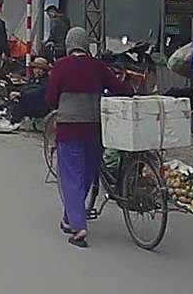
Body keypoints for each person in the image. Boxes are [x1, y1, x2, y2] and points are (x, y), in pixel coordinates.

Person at [46, 27, 133, 248]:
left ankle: (78, 228)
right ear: (86, 45)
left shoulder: (61, 67)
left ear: (69, 44)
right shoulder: (98, 67)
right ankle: (70, 217)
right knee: (85, 175)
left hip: (69, 130)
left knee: (71, 177)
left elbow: (51, 99)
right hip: (94, 130)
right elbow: (119, 89)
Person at [8, 57, 52, 126]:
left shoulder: (46, 81)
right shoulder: (34, 79)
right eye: (34, 68)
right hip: (32, 102)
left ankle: (14, 123)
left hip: (40, 106)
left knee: (21, 104)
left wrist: (21, 94)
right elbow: (27, 87)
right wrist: (16, 93)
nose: (34, 70)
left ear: (42, 70)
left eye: (36, 68)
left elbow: (37, 92)